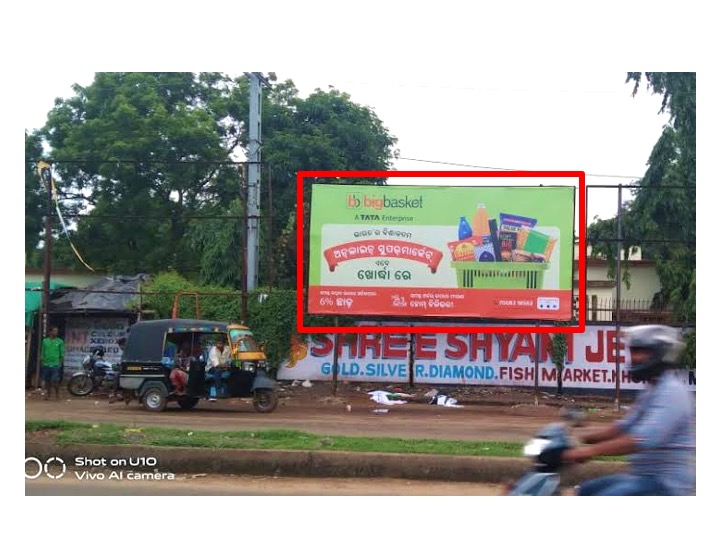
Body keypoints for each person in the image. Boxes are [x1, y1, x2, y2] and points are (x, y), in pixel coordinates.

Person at [562, 324, 696, 496]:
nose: (635, 357)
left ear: (660, 353)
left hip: (665, 484)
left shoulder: (672, 392)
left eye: (642, 351)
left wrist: (589, 451)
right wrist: (579, 438)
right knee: (584, 491)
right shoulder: (652, 390)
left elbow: (641, 439)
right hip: (642, 477)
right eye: (633, 351)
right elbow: (623, 426)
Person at [40, 326, 65, 400]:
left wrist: (61, 363)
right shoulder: (45, 341)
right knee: (47, 381)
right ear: (50, 332)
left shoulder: (60, 341)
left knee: (54, 380)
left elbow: (62, 353)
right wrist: (42, 361)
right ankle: (48, 394)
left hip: (55, 364)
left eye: (56, 331)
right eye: (54, 331)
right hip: (46, 363)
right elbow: (42, 352)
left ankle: (57, 394)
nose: (56, 332)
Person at [108, 337, 127, 404]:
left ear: (124, 344)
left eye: (121, 345)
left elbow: (125, 362)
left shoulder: (127, 352)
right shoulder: (125, 352)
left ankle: (115, 393)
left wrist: (120, 366)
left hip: (128, 369)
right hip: (126, 368)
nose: (120, 347)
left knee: (116, 376)